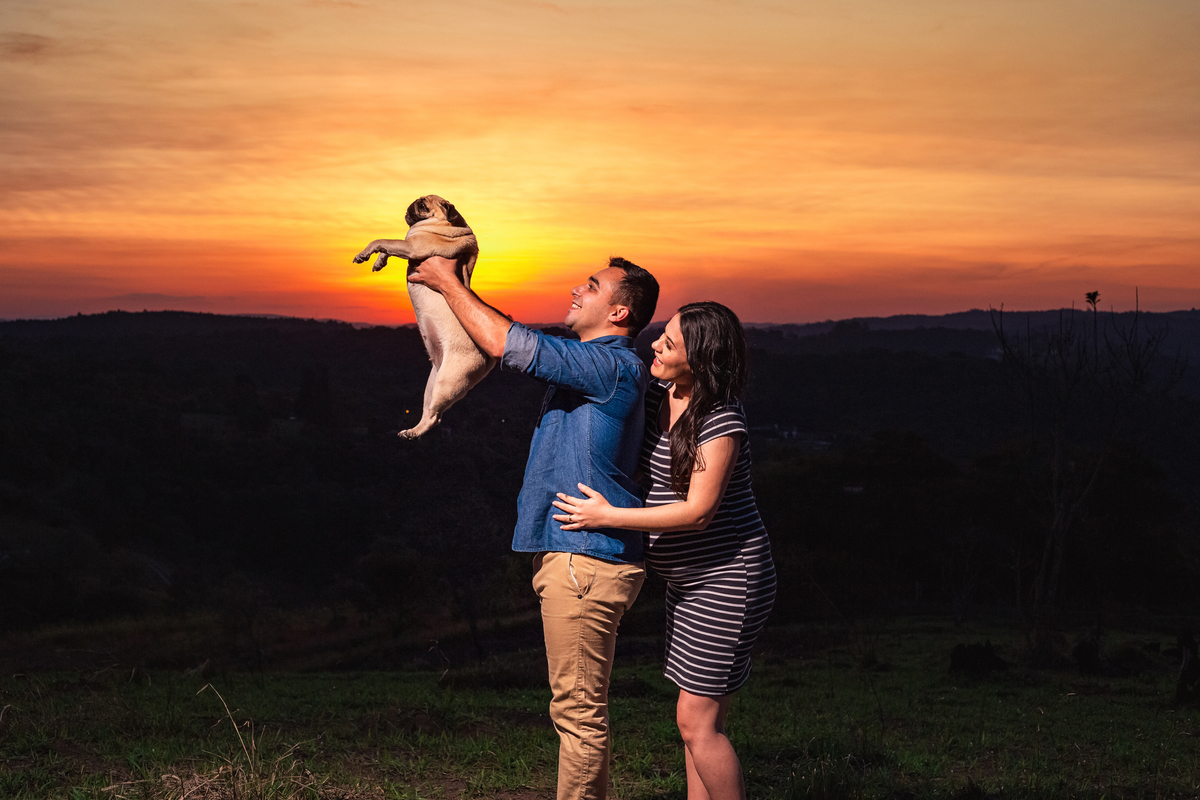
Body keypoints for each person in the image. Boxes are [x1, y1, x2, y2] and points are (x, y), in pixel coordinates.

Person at [407, 254, 659, 800]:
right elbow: (504, 333)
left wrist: (447, 281)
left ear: (618, 311)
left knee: (577, 711)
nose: (575, 289)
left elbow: (506, 344)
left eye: (590, 287)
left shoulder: (610, 367)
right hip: (580, 558)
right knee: (577, 707)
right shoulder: (594, 361)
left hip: (586, 561)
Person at [552, 301, 776, 800]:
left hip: (727, 580)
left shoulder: (720, 420)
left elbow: (698, 512)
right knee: (699, 724)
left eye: (669, 344)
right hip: (688, 582)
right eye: (661, 335)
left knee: (697, 724)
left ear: (701, 361)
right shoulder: (664, 392)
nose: (655, 345)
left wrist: (608, 516)